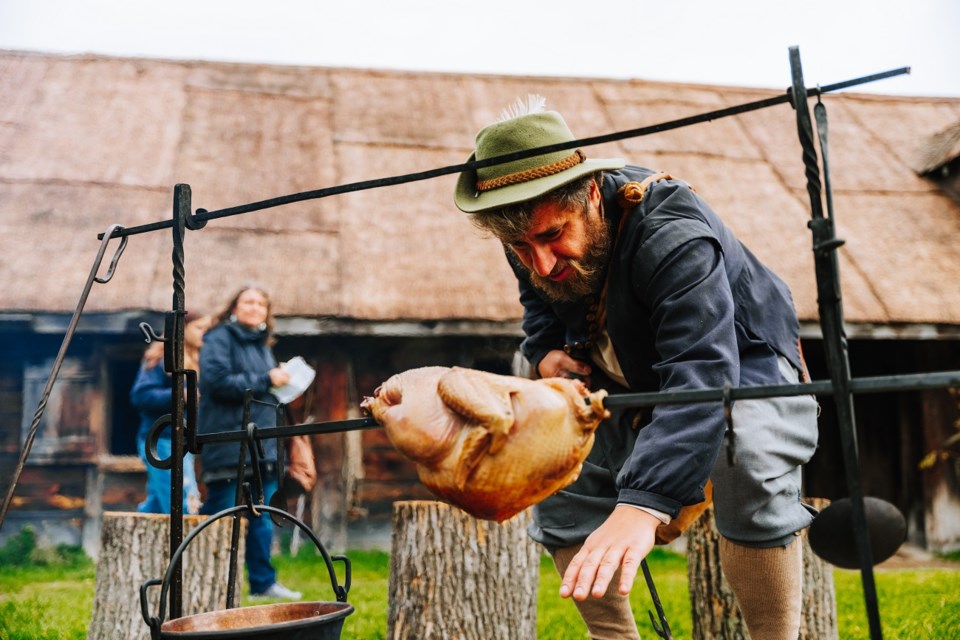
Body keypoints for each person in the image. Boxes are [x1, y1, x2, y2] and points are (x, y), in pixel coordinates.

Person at [454, 95, 820, 640]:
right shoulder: (528, 230)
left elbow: (702, 370)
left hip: (742, 364)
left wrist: (642, 506)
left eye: (554, 237)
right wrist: (545, 351)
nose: (542, 262)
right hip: (625, 371)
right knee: (555, 477)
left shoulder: (675, 232)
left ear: (591, 196)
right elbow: (540, 301)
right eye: (519, 247)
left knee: (748, 455)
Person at [197, 285, 302, 601]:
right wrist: (267, 379)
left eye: (261, 303)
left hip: (263, 444)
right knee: (221, 513)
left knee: (264, 516)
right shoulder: (218, 339)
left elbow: (263, 388)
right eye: (249, 302)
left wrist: (277, 381)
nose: (256, 307)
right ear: (234, 307)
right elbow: (216, 383)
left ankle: (262, 583)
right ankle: (202, 580)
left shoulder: (262, 344)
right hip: (230, 441)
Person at [130, 312, 211, 515]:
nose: (206, 334)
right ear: (184, 329)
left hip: (183, 440)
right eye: (200, 328)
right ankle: (183, 547)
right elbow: (140, 395)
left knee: (158, 504)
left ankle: (138, 544)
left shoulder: (200, 360)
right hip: (162, 439)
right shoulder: (162, 357)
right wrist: (180, 395)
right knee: (181, 502)